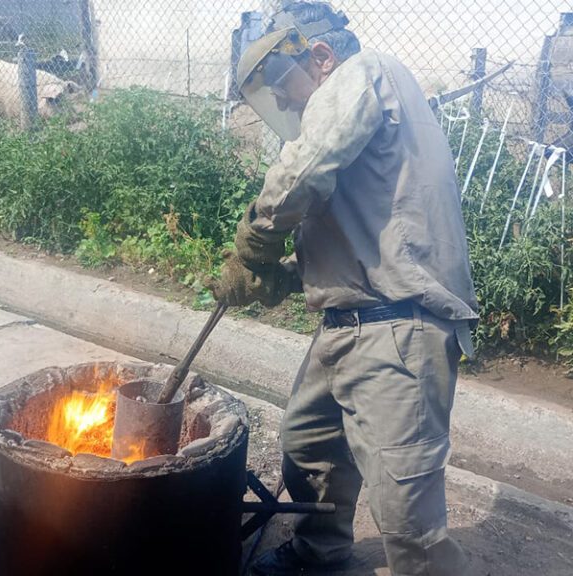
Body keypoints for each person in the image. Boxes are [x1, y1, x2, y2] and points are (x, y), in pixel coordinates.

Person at [209, 3, 479, 575]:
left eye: (283, 85)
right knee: (310, 449)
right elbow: (347, 235)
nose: (281, 102)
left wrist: (254, 242)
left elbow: (302, 174)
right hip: (349, 323)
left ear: (322, 57)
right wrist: (276, 279)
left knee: (408, 519)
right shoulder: (352, 124)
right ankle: (318, 556)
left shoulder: (363, 73)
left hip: (398, 327)